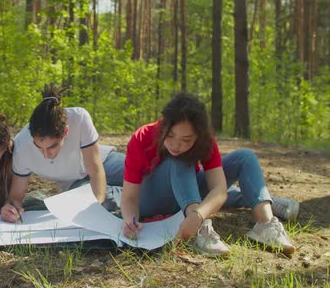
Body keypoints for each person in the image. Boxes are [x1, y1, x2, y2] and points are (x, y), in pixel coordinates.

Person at [120, 93, 299, 256]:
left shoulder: (205, 140)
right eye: (170, 136)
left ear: (198, 135)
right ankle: (198, 231)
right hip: (152, 200)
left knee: (244, 157)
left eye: (186, 140)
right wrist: (130, 220)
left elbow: (219, 188)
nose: (175, 145)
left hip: (188, 193)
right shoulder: (142, 136)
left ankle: (266, 224)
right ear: (163, 125)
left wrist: (198, 215)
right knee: (180, 159)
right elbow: (130, 197)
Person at [0, 84, 125, 223]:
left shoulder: (79, 118)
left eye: (52, 146)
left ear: (66, 132)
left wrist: (97, 203)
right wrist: (10, 208)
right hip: (75, 184)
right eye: (39, 147)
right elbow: (16, 197)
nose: (46, 155)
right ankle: (133, 194)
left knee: (144, 172)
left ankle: (133, 193)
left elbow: (95, 170)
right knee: (89, 200)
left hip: (104, 162)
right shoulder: (21, 145)